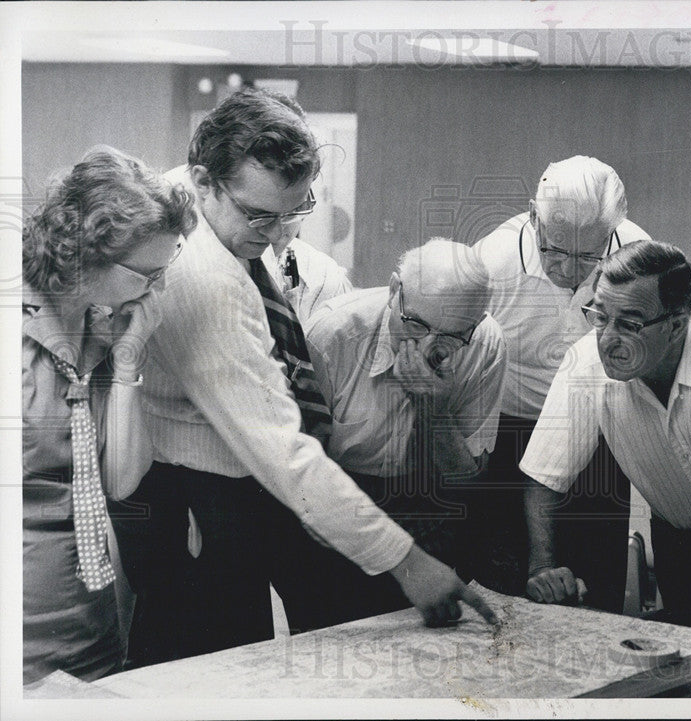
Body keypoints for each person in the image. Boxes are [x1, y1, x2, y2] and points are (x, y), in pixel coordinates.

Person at [108, 88, 496, 669]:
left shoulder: (208, 211)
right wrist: (409, 563)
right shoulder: (202, 276)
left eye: (291, 212)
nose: (274, 233)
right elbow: (285, 452)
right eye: (259, 215)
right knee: (214, 677)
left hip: (226, 488)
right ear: (203, 179)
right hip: (192, 499)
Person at [520, 240, 691, 650]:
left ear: (676, 323)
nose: (608, 340)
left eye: (630, 324)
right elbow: (544, 476)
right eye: (600, 316)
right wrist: (542, 566)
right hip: (679, 536)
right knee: (690, 663)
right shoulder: (585, 363)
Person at [22, 146, 196, 683]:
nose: (158, 289)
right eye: (149, 273)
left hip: (93, 622)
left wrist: (126, 366)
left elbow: (118, 483)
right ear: (88, 255)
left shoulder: (100, 334)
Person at [279, 239, 505, 630]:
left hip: (428, 501)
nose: (429, 346)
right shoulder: (332, 336)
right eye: (415, 324)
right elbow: (302, 478)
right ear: (394, 289)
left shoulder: (485, 342)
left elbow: (467, 482)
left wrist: (432, 407)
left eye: (453, 336)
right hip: (336, 498)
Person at [471, 156, 649, 609]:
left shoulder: (636, 255)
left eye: (589, 256)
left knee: (598, 581)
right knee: (510, 588)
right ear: (534, 218)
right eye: (556, 252)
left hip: (596, 430)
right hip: (513, 428)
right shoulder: (493, 261)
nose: (570, 271)